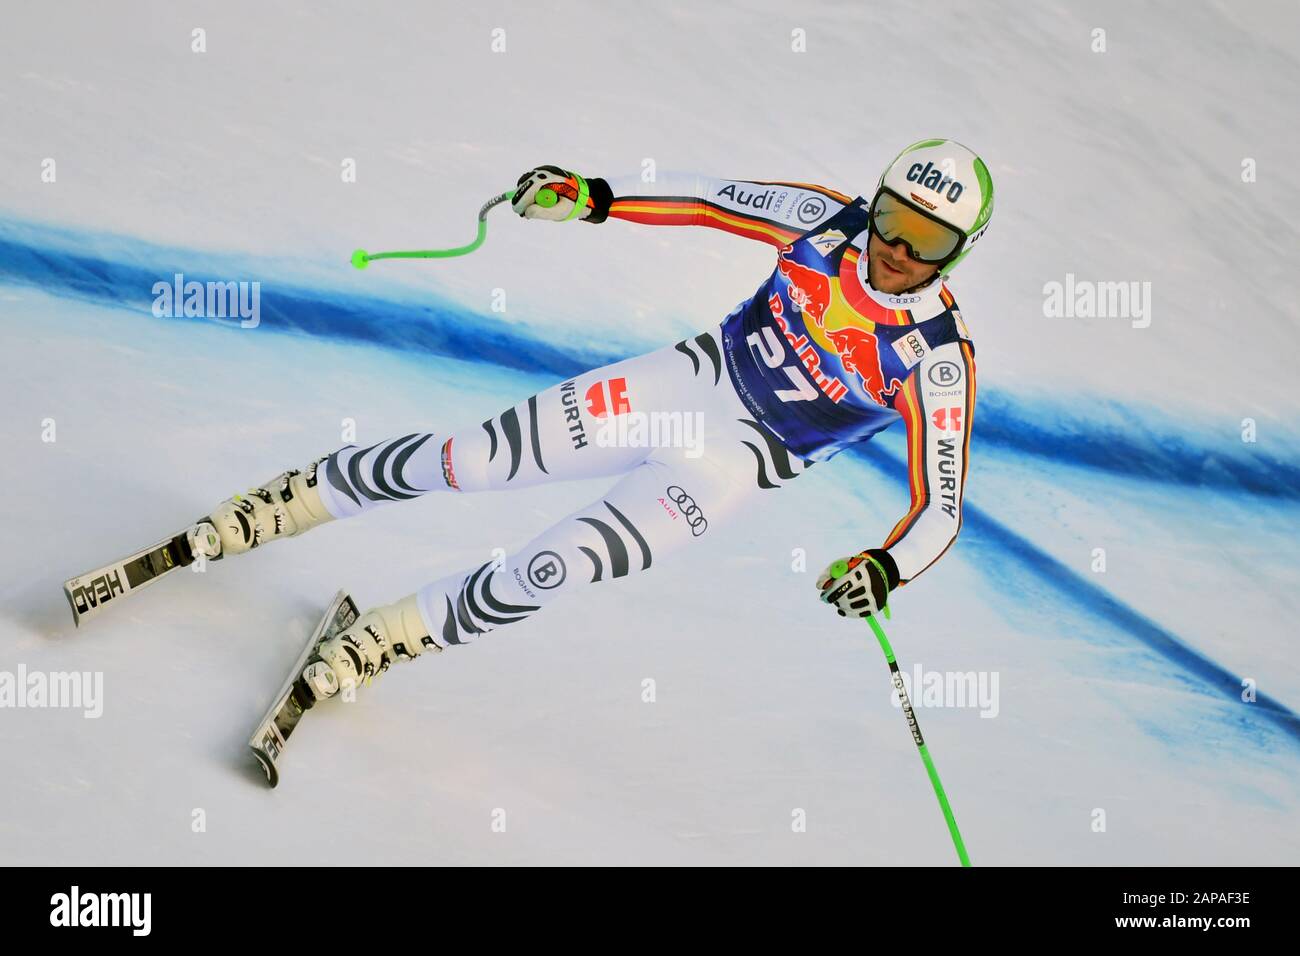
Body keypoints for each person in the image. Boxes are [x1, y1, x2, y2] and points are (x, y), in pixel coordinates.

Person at [209, 139, 993, 703]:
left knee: (553, 569)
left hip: (730, 468)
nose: (894, 248)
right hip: (686, 381)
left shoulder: (938, 361)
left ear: (959, 254)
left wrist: (884, 568)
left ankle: (385, 638)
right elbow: (707, 198)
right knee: (473, 460)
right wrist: (593, 196)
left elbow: (940, 509)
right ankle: (296, 501)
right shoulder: (826, 221)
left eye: (927, 241)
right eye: (892, 217)